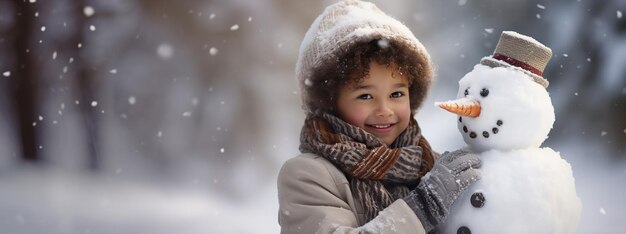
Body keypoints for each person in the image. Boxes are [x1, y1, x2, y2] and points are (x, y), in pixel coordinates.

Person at [277, 1, 481, 233]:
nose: (384, 109)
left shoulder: (432, 168)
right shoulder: (307, 175)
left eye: (396, 94)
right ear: (329, 102)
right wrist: (422, 207)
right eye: (365, 96)